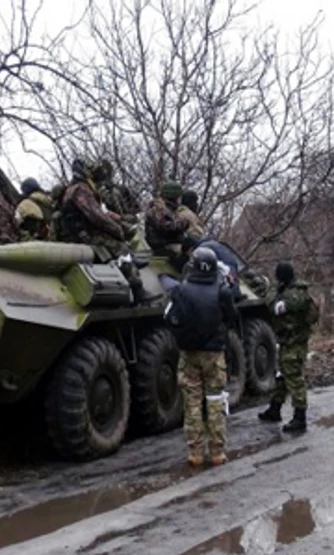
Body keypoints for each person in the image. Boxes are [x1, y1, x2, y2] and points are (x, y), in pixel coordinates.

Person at [165, 247, 238, 466]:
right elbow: (232, 318)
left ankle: (195, 453)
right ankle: (217, 452)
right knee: (215, 402)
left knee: (192, 404)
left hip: (189, 353)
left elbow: (169, 317)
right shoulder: (222, 291)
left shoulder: (181, 290)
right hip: (214, 353)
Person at [59, 159, 149, 303]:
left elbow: (98, 213)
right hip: (85, 235)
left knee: (120, 240)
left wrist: (118, 221)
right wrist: (116, 229)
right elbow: (96, 216)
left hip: (81, 233)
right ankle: (138, 290)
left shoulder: (74, 189)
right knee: (119, 248)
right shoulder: (80, 190)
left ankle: (132, 261)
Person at [258, 261, 319, 433]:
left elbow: (274, 308)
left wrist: (269, 291)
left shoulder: (293, 296)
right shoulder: (290, 291)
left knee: (294, 379)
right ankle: (275, 409)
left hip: (294, 343)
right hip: (288, 342)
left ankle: (300, 417)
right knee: (282, 376)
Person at [145, 181, 189, 258]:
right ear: (174, 197)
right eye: (179, 197)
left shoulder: (169, 208)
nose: (180, 200)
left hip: (168, 242)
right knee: (189, 255)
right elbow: (167, 227)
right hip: (161, 245)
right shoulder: (158, 209)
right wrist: (184, 223)